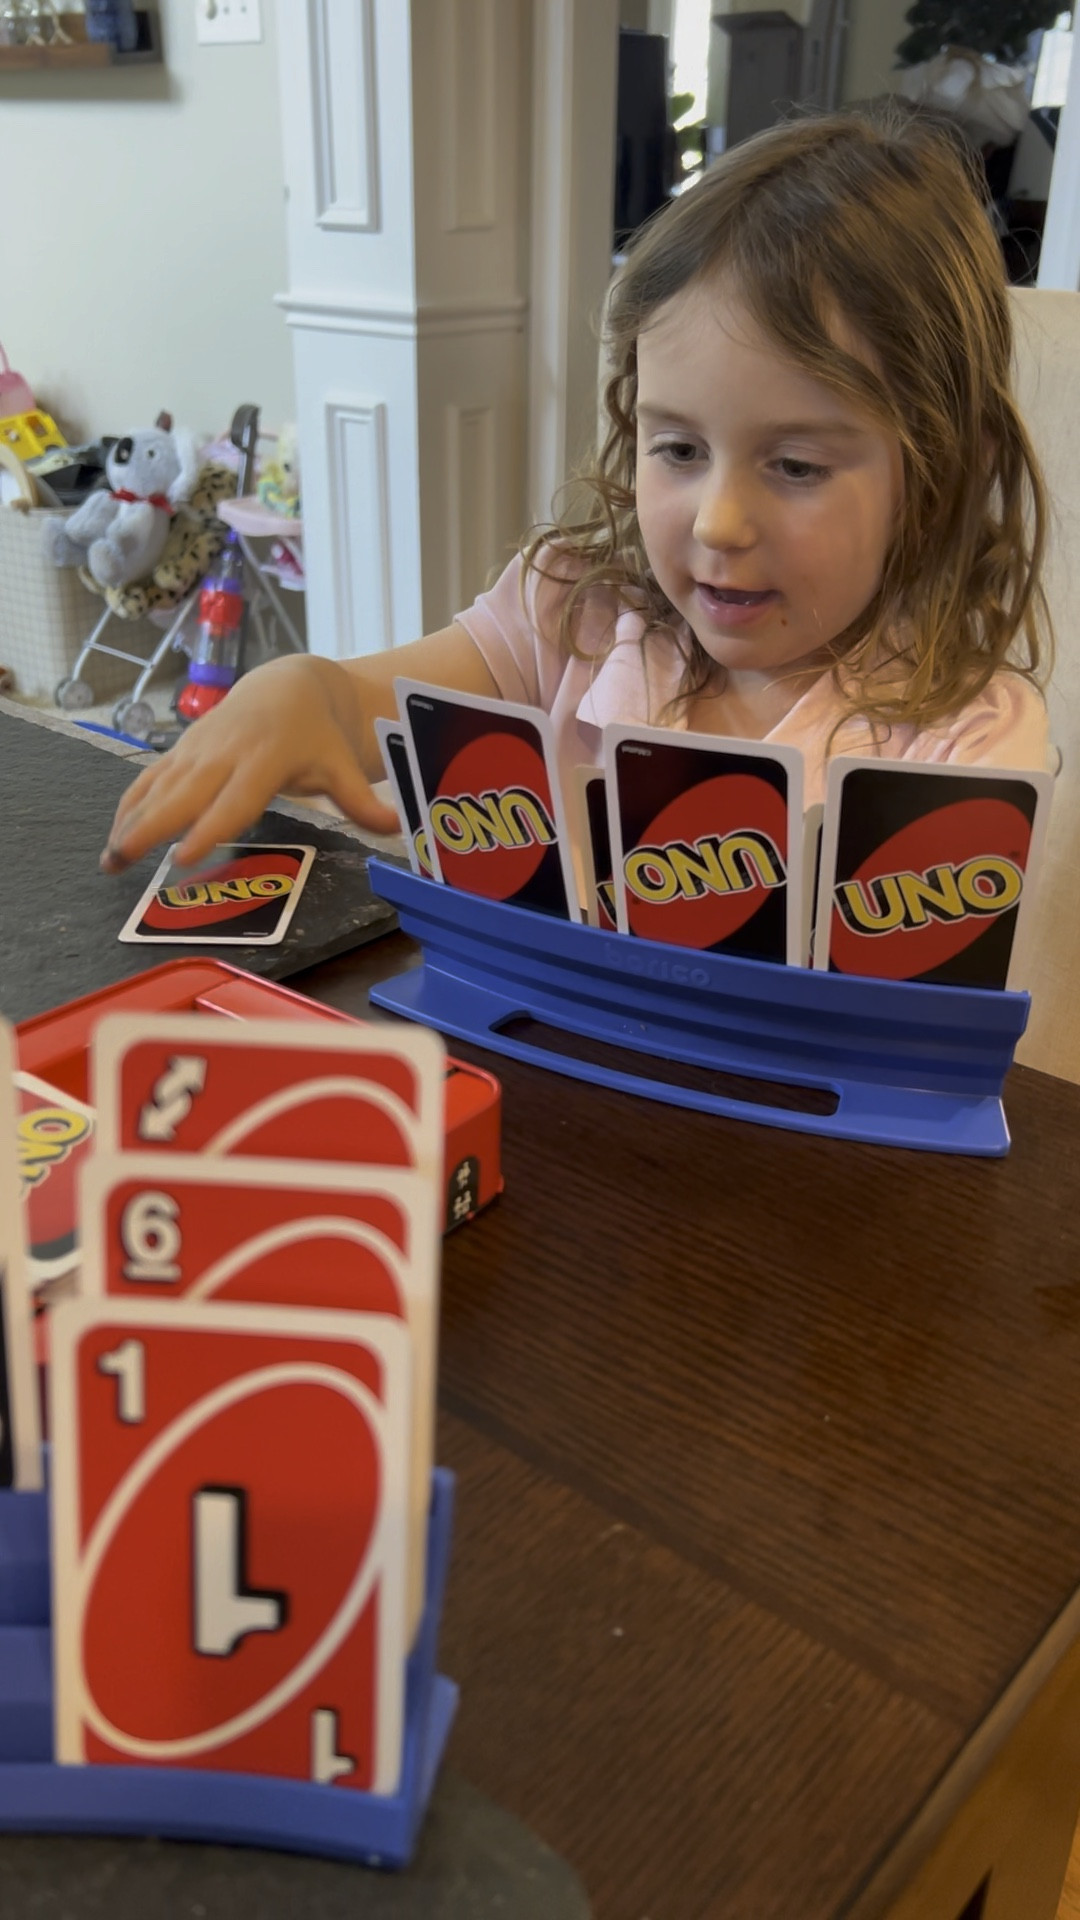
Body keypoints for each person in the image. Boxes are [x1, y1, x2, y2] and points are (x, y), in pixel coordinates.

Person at [101, 102, 1052, 879]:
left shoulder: (965, 746)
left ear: (941, 474)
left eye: (795, 466)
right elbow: (359, 706)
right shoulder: (570, 616)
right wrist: (300, 689)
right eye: (679, 448)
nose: (719, 522)